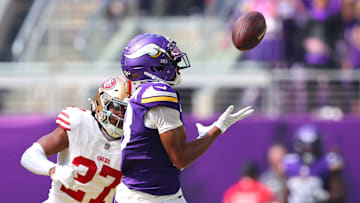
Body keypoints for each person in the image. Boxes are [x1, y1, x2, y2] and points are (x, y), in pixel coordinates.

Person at [115, 33, 254, 202]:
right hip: (147, 198)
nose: (177, 64)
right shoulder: (158, 94)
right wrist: (217, 130)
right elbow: (180, 158)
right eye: (170, 59)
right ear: (154, 66)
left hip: (159, 193)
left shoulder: (144, 93)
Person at [20, 76, 132, 202]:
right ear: (102, 103)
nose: (121, 115)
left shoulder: (134, 143)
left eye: (127, 110)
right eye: (116, 107)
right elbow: (29, 155)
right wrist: (53, 170)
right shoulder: (79, 123)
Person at [283, 124, 345, 203]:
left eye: (312, 146)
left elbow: (340, 194)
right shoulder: (289, 162)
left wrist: (327, 196)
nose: (308, 150)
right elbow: (285, 194)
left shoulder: (328, 162)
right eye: (305, 146)